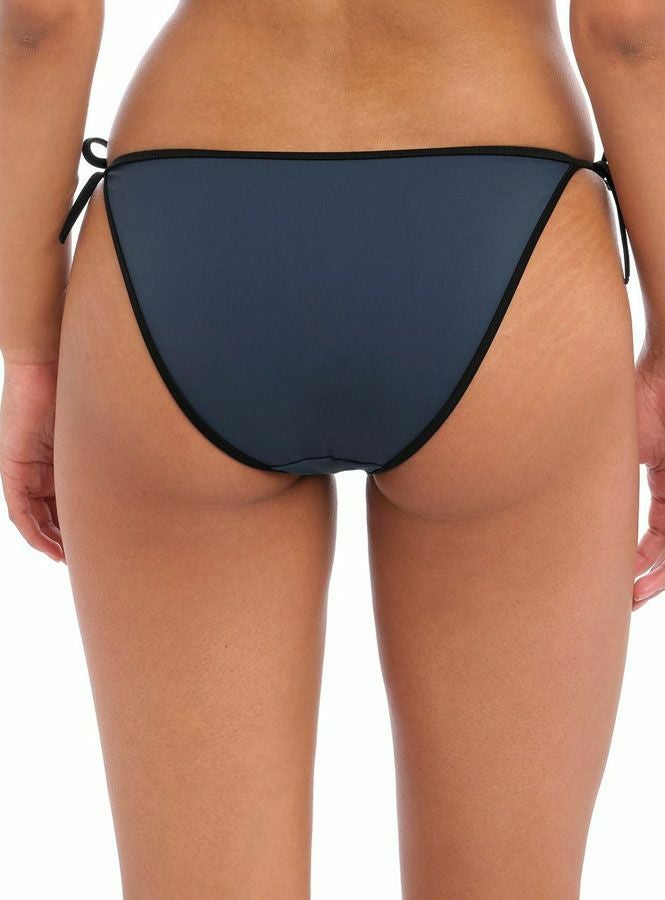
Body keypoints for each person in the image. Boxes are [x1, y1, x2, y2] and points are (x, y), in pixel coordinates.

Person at [0, 0, 663, 896]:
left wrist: (31, 353)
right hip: (505, 218)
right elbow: (631, 29)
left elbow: (40, 22)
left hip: (189, 226)